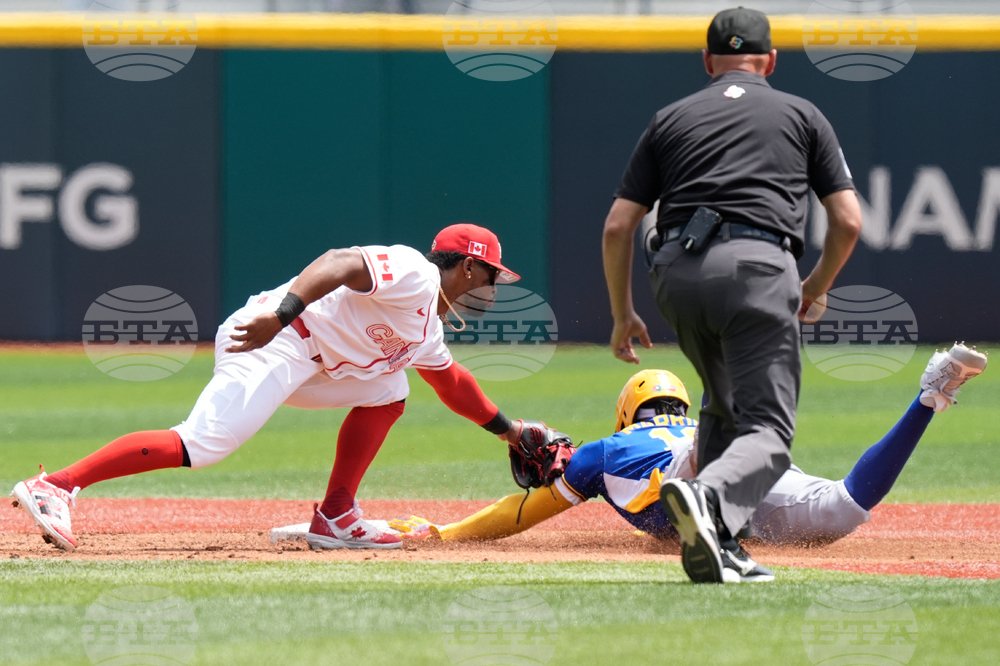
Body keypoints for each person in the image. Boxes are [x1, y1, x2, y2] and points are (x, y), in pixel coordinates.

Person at [11, 223, 526, 552]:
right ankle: (55, 485)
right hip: (275, 338)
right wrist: (281, 316)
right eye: (489, 276)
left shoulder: (428, 329)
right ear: (467, 265)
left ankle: (337, 516)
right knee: (203, 444)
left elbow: (452, 383)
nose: (489, 288)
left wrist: (512, 432)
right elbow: (337, 262)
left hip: (312, 364)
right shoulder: (416, 272)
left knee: (389, 389)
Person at [601, 7, 864, 582]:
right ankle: (707, 497)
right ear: (769, 60)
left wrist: (623, 315)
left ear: (706, 61)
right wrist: (813, 288)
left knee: (722, 407)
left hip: (674, 274)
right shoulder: (802, 113)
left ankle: (723, 548)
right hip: (756, 269)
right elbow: (847, 221)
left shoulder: (669, 118)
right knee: (767, 429)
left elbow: (620, 226)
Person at [388, 344, 987, 582]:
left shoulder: (605, 451)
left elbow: (521, 511)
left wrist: (447, 533)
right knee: (845, 507)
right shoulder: (639, 443)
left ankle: (713, 454)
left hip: (697, 458)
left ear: (629, 410)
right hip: (751, 456)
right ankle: (929, 396)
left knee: (700, 460)